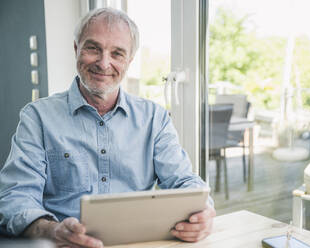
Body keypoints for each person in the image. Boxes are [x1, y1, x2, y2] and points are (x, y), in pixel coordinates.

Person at [0, 7, 215, 248]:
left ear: (129, 61)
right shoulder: (37, 117)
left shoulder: (154, 118)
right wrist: (53, 231)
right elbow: (15, 198)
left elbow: (184, 182)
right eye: (93, 48)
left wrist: (204, 212)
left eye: (117, 53)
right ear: (76, 49)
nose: (104, 63)